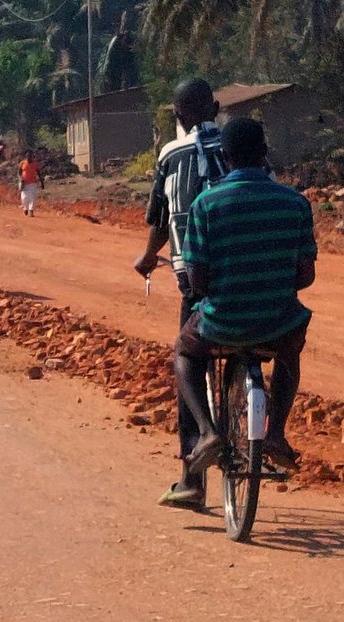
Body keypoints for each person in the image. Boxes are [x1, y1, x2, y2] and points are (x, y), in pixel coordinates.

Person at [175, 117, 316, 477]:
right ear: (265, 154)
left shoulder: (206, 204)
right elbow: (306, 275)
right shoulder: (295, 204)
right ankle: (277, 434)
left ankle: (206, 433)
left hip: (222, 322)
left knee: (185, 353)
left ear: (224, 155)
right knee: (289, 357)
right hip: (278, 323)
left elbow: (198, 277)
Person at [133, 78, 227, 511]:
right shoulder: (241, 146)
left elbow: (159, 218)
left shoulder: (171, 155)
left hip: (197, 282)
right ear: (217, 108)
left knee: (187, 357)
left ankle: (190, 474)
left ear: (178, 116)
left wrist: (149, 256)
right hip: (249, 279)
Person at [18, 150, 43, 216]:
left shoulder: (35, 164)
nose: (28, 157)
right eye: (27, 155)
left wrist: (42, 182)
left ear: (32, 156)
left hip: (33, 183)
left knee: (33, 197)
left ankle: (31, 210)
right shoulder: (22, 163)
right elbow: (19, 172)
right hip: (24, 183)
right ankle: (25, 208)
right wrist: (20, 179)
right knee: (24, 197)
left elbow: (39, 173)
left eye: (30, 155)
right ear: (25, 156)